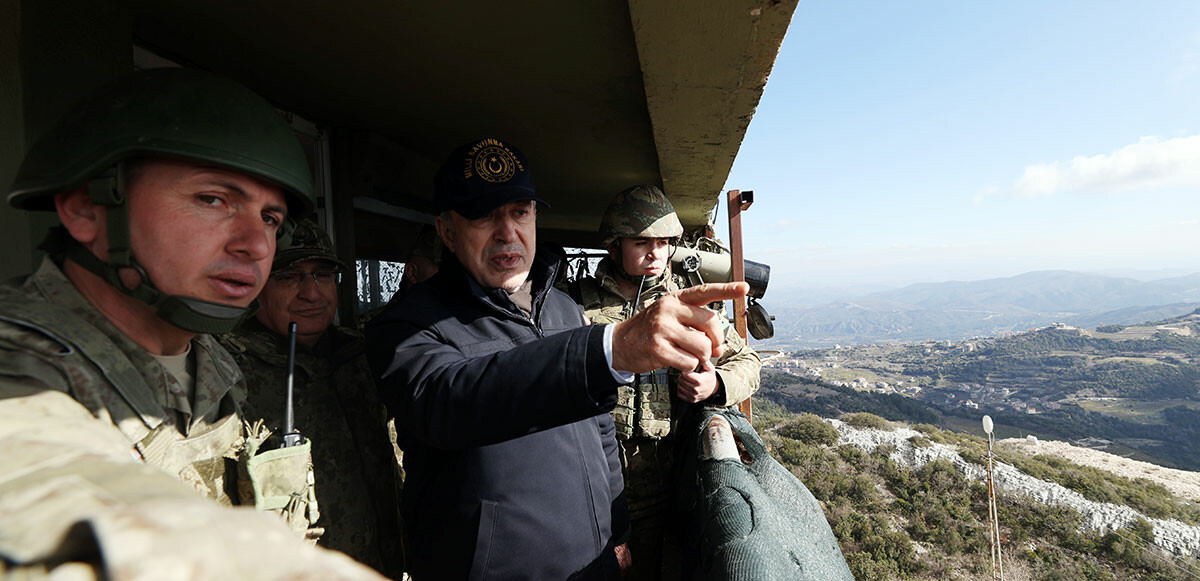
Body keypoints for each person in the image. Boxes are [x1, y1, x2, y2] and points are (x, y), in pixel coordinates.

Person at [0, 68, 383, 579]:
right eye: (213, 200)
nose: (256, 244)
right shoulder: (19, 365)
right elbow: (55, 493)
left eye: (270, 218)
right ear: (87, 208)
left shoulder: (213, 363)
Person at [365, 137, 748, 580]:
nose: (507, 232)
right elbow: (449, 400)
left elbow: (600, 429)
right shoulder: (405, 326)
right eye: (484, 214)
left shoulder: (561, 308)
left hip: (595, 561)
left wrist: (617, 528)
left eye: (520, 212)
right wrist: (611, 349)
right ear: (447, 230)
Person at [568, 185, 761, 580]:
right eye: (641, 242)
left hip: (663, 484)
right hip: (588, 484)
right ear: (614, 245)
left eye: (663, 242)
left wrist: (715, 385)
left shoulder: (686, 305)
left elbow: (748, 362)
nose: (655, 252)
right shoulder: (574, 304)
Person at [218, 219, 405, 579]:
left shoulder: (362, 357)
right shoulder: (228, 374)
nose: (312, 293)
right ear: (256, 284)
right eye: (288, 277)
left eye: (322, 275)